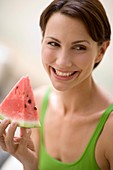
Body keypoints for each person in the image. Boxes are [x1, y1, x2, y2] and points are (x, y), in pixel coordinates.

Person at [0, 0, 113, 169]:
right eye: (53, 43)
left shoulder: (109, 129)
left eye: (79, 47)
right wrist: (29, 163)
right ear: (42, 41)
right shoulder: (37, 102)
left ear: (101, 51)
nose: (63, 62)